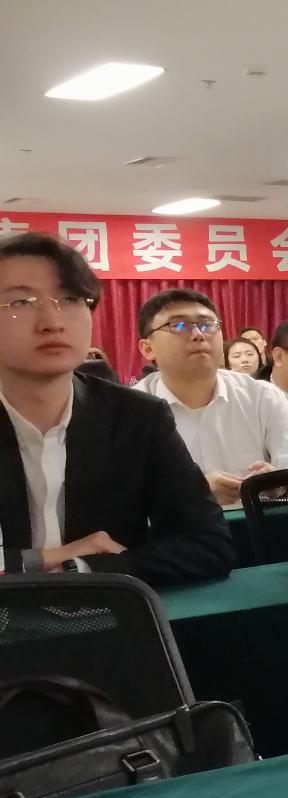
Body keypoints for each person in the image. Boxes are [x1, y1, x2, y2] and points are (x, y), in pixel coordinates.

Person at [0, 234, 231, 583]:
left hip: (106, 613)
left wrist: (82, 569)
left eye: (70, 298)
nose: (53, 321)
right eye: (21, 302)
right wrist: (42, 560)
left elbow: (209, 543)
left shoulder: (137, 418)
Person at [134, 289, 288, 504]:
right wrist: (192, 491)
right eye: (180, 325)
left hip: (255, 523)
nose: (198, 334)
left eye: (207, 325)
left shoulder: (261, 397)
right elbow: (117, 494)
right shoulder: (130, 410)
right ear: (147, 348)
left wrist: (282, 483)